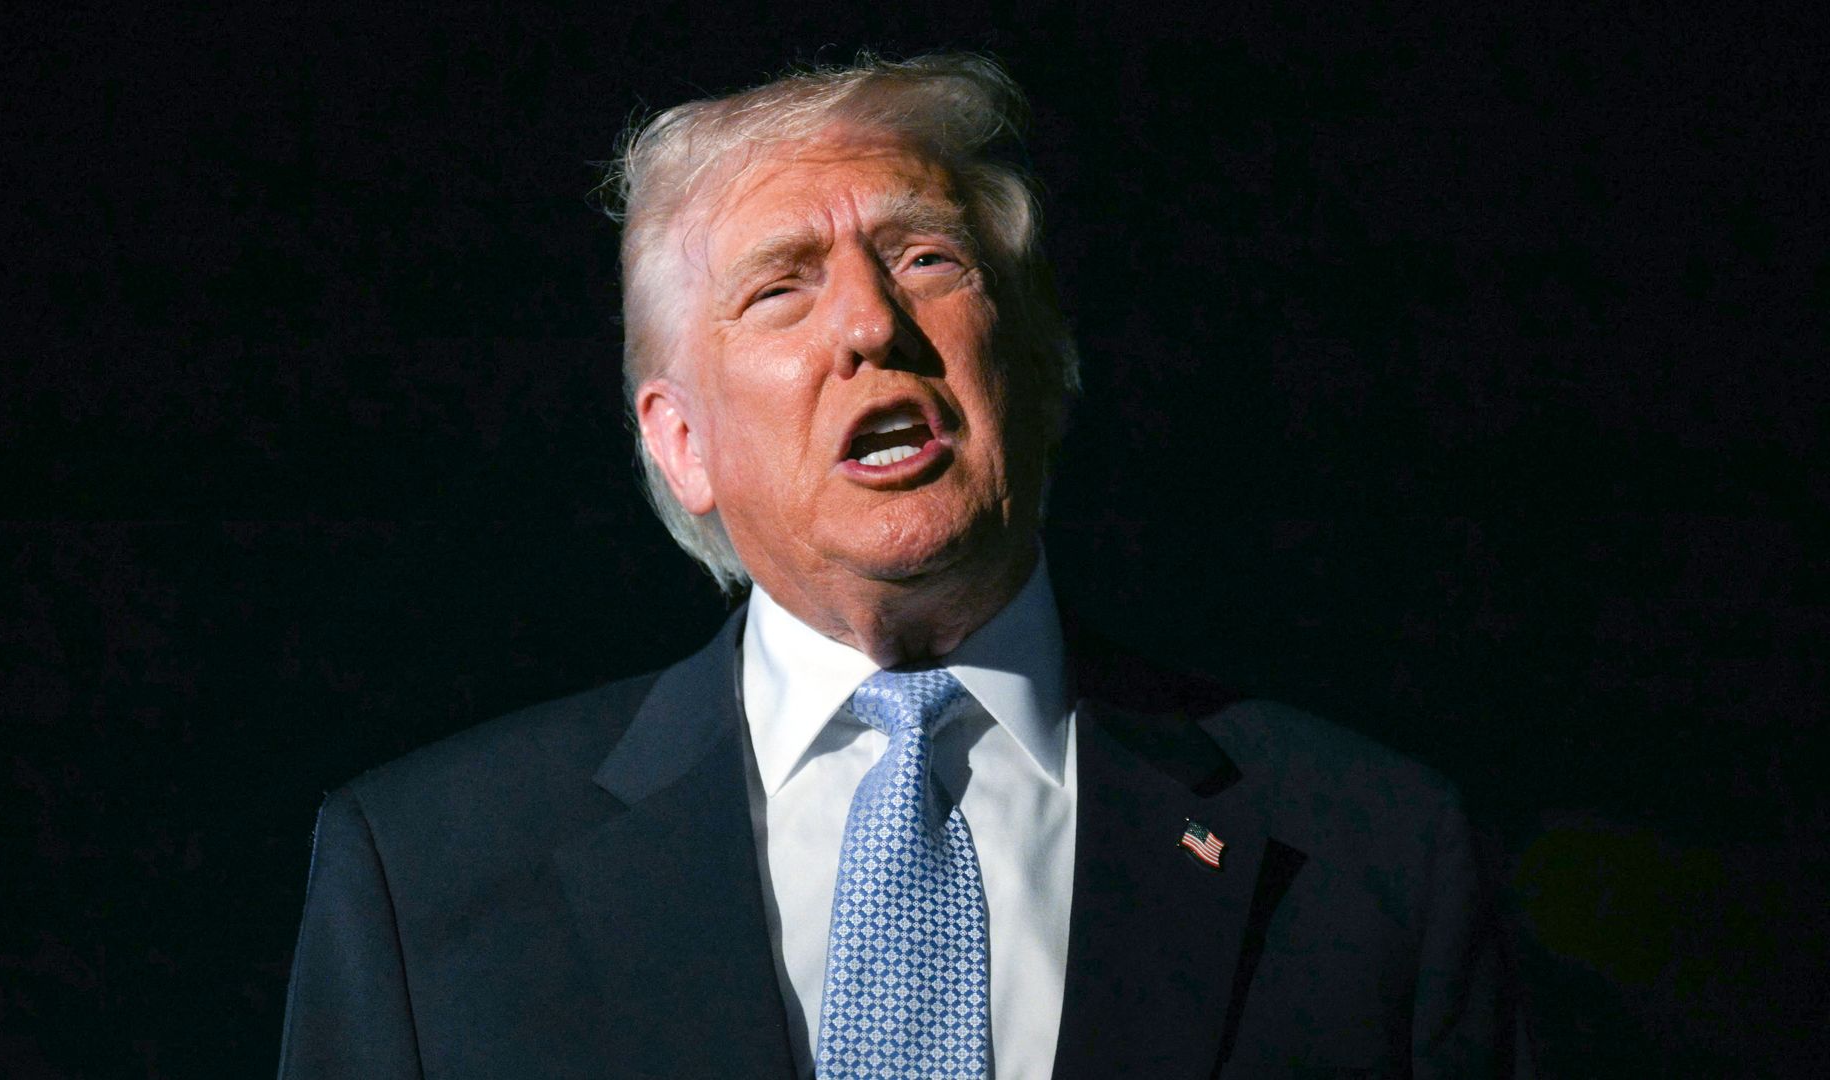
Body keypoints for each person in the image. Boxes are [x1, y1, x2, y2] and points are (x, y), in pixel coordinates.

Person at [276, 54, 1527, 1079]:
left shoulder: (1374, 852)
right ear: (681, 441)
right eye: (780, 290)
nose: (874, 324)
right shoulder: (427, 874)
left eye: (927, 258)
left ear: (1035, 360)